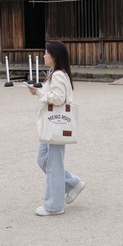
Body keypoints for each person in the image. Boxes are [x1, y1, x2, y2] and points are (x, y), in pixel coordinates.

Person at [27, 40, 86, 216]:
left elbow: (59, 98)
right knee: (44, 159)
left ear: (54, 56)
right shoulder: (57, 73)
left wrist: (38, 92)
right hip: (54, 124)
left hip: (56, 123)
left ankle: (54, 204)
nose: (43, 56)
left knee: (53, 163)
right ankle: (72, 183)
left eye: (46, 53)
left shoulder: (59, 74)